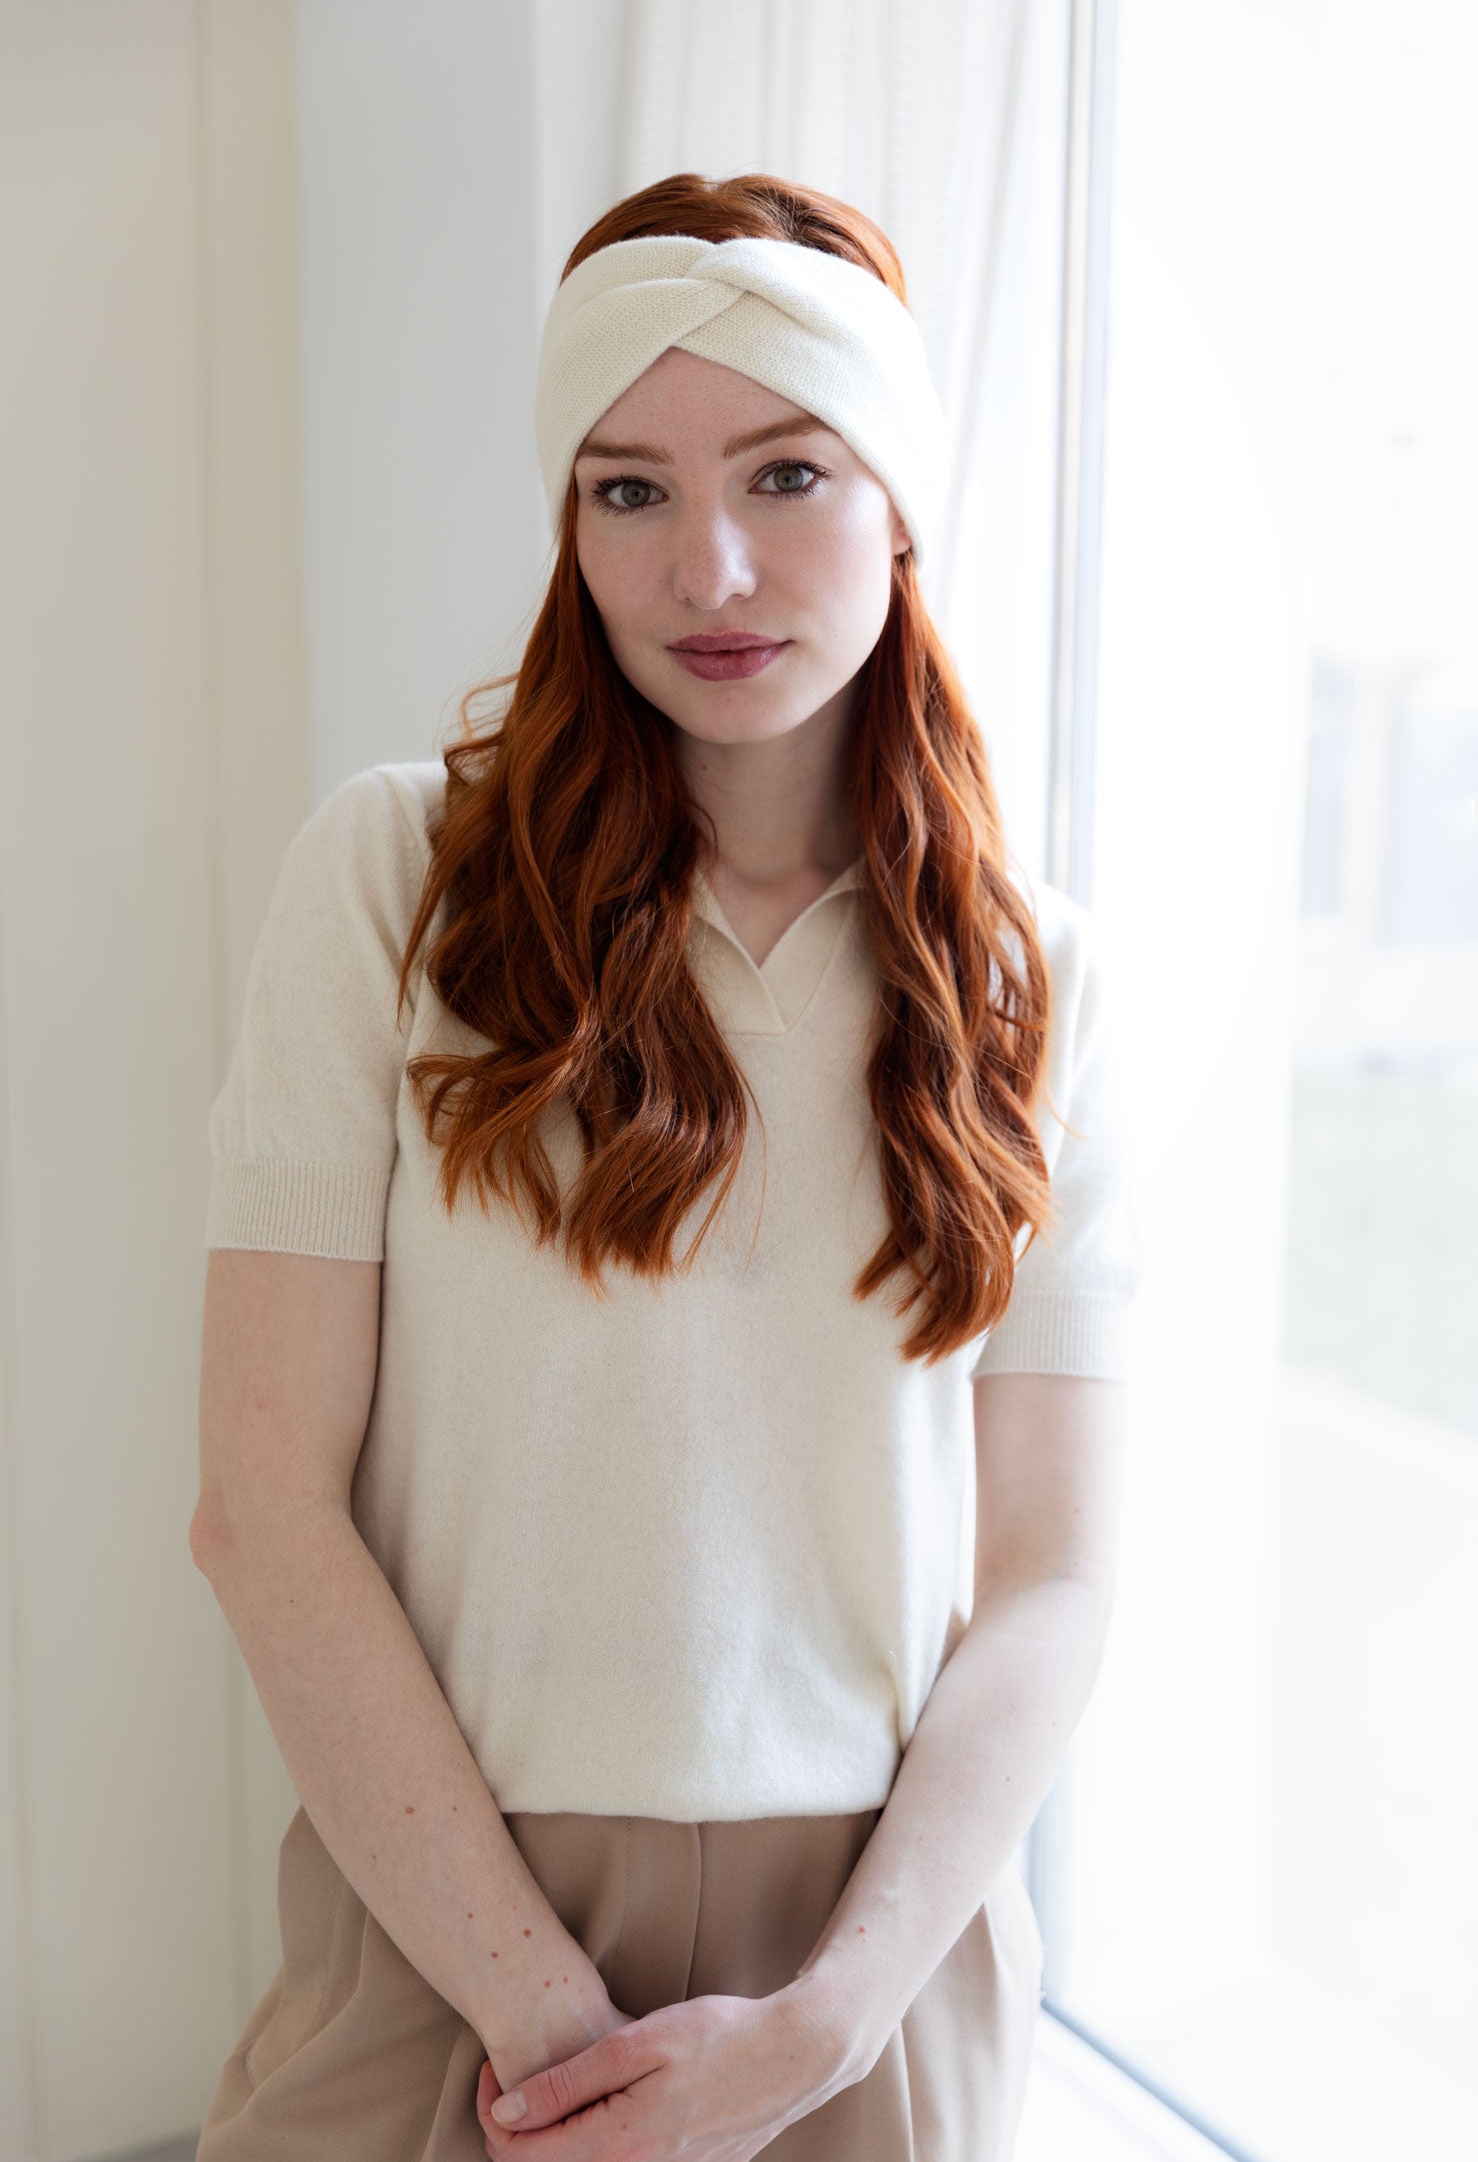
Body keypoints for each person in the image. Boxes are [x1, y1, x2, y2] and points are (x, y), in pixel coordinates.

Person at [190, 171, 1145, 2162]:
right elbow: (262, 1500)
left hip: (867, 1966)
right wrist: (558, 2028)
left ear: (900, 494)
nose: (707, 565)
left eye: (787, 474)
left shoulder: (1030, 976)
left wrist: (822, 2023)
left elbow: (1050, 1574)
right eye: (625, 489)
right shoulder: (393, 879)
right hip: (447, 1924)